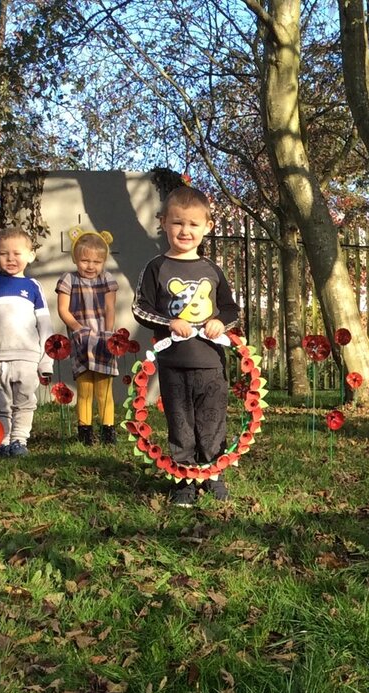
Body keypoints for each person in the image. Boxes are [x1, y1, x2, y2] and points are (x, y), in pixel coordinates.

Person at [132, 185, 240, 507]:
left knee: (212, 419)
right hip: (173, 363)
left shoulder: (212, 270)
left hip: (211, 363)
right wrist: (169, 322)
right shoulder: (157, 268)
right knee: (180, 421)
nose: (185, 230)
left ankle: (212, 474)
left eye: (194, 224)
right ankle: (184, 479)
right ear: (163, 222)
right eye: (177, 222)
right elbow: (140, 308)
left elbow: (232, 309)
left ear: (208, 227)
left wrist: (221, 321)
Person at [0, 227, 52, 457]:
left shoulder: (33, 287)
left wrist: (45, 362)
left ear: (30, 255)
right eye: (4, 254)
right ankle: (3, 440)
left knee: (25, 401)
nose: (11, 259)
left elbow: (45, 326)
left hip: (27, 357)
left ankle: (19, 440)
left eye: (17, 253)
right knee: (1, 402)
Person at [56, 229, 121, 445]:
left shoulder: (107, 279)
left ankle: (108, 433)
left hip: (104, 341)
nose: (90, 266)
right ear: (75, 258)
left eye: (96, 261)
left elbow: (110, 308)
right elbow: (63, 310)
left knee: (104, 389)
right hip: (81, 341)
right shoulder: (69, 280)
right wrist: (77, 328)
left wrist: (109, 333)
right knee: (85, 389)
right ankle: (85, 433)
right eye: (85, 260)